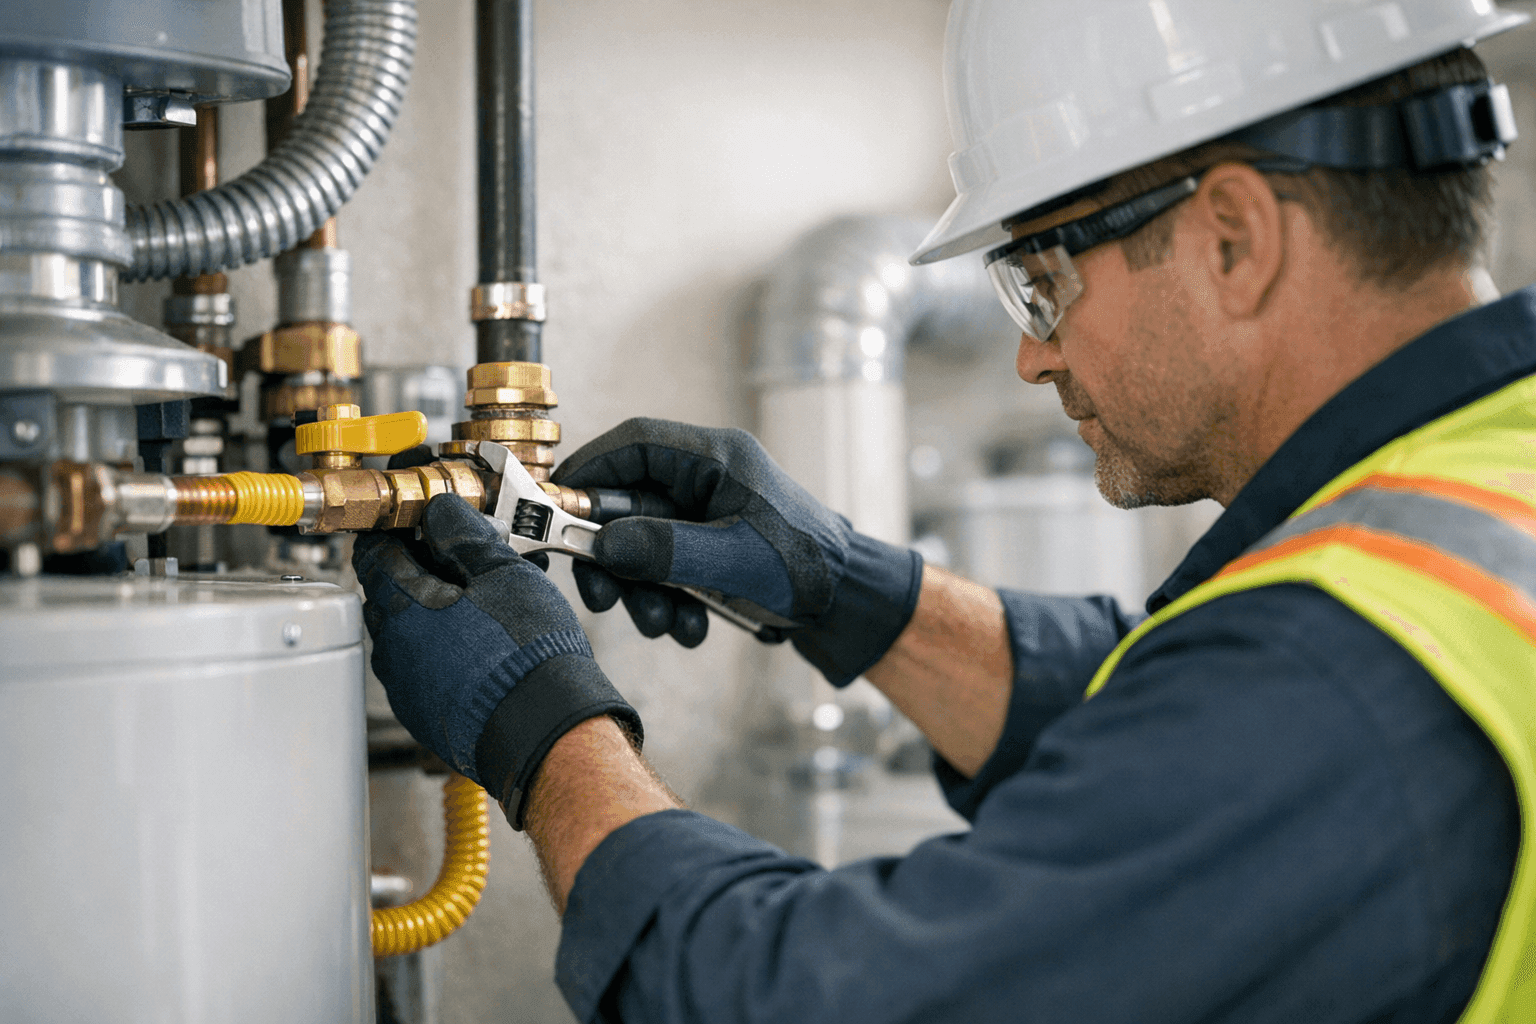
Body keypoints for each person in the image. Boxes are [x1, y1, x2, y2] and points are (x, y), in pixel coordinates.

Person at [354, 1, 1536, 1020]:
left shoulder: (1334, 680)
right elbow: (1162, 703)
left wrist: (549, 733)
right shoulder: (1481, 487)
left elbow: (797, 1001)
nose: (1033, 355)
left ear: (1235, 239)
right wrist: (845, 585)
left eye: (1045, 278)